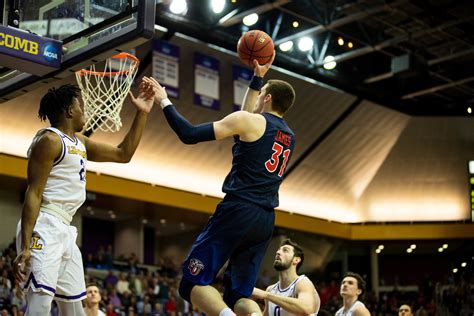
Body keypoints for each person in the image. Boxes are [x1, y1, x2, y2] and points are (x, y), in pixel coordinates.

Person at [148, 52, 296, 316]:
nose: (259, 95)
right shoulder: (289, 136)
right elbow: (246, 115)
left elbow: (189, 134)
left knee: (191, 283)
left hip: (238, 210)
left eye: (262, 92)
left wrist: (164, 101)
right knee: (239, 293)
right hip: (265, 219)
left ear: (268, 97)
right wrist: (257, 78)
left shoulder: (249, 122)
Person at [12, 80, 155, 315]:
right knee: (41, 303)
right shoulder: (49, 140)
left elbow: (123, 154)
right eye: (80, 107)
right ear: (69, 110)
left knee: (75, 309)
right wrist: (26, 246)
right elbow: (34, 193)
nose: (84, 112)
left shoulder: (81, 143)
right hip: (45, 224)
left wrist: (142, 112)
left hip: (66, 229)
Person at [252, 239, 320, 315]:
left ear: (296, 260)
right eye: (278, 250)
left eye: (285, 250)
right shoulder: (271, 290)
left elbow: (307, 308)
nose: (278, 252)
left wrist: (266, 295)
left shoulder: (302, 283)